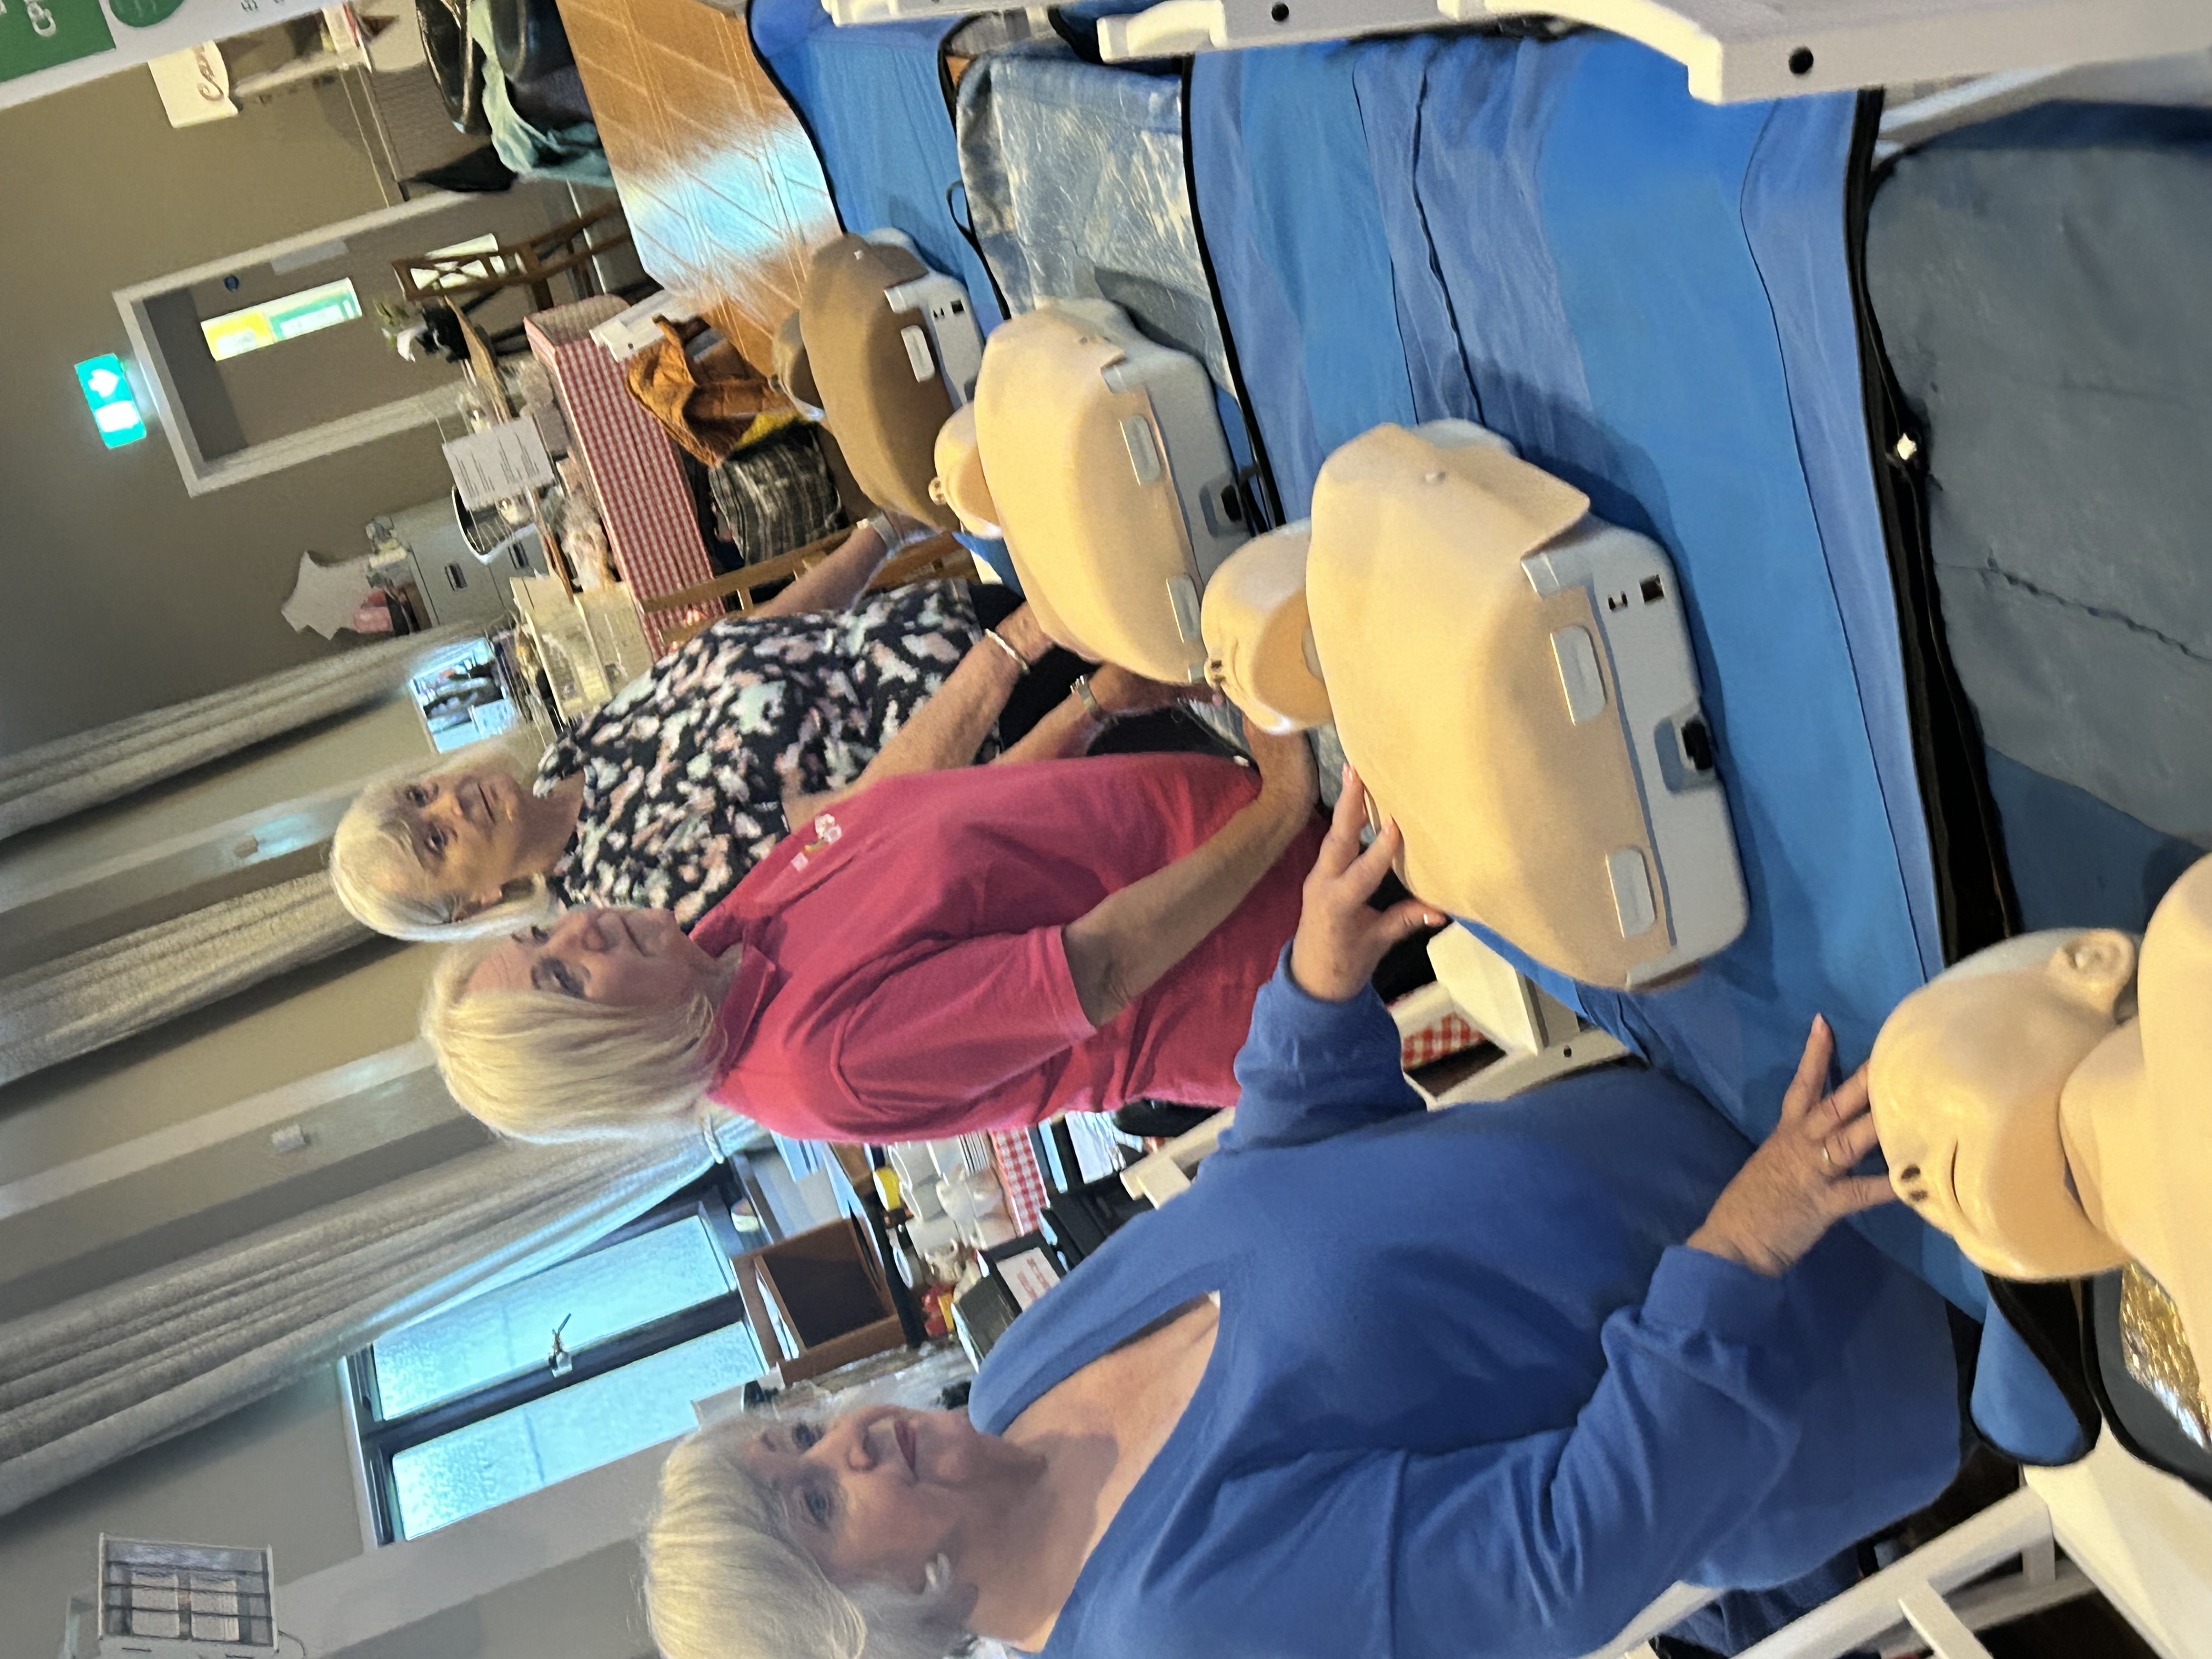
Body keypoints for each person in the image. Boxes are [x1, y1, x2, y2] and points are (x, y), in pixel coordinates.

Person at [638, 768, 1967, 1659]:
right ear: (868, 1628)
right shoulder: (1170, 1624)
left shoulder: (1017, 1383)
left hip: (1714, 1104)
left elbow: (1277, 1188)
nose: (848, 1445)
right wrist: (1747, 1241)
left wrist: (1318, 993)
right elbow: (1569, 1549)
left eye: (799, 1436)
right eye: (815, 1507)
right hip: (1845, 1294)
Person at [422, 730, 1343, 1143]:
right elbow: (1099, 968)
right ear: (610, 1054)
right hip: (1293, 921)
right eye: (566, 981)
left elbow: (945, 823)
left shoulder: (721, 941)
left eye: (546, 935)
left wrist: (1092, 704)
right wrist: (1282, 801)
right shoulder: (815, 1061)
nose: (580, 931)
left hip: (1257, 824)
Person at [331, 511, 1202, 939]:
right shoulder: (632, 891)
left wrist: (884, 527)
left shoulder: (573, 750)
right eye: (434, 841)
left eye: (420, 794)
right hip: (1039, 718)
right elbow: (871, 811)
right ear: (478, 901)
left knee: (1185, 543)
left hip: (984, 621)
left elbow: (752, 645)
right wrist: (1019, 654)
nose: (449, 805)